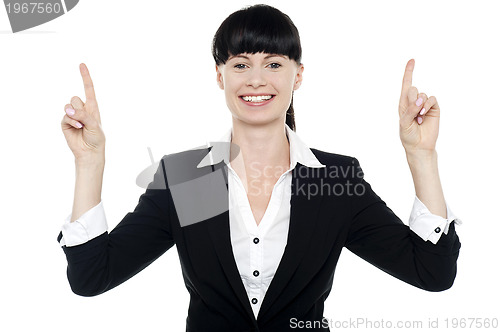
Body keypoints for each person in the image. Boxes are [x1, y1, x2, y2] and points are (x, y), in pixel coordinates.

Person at [58, 4, 461, 331]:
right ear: (219, 75)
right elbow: (93, 277)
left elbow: (431, 272)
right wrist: (89, 163)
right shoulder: (191, 179)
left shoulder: (333, 180)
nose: (255, 80)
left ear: (297, 76)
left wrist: (421, 156)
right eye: (240, 64)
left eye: (273, 64)